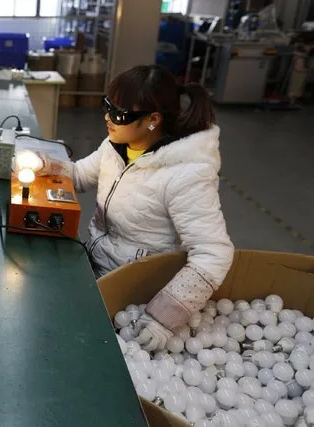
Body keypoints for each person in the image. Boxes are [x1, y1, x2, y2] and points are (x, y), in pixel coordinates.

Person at [14, 65, 234, 351]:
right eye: (107, 106)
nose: (108, 117)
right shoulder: (119, 145)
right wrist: (47, 165)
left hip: (133, 294)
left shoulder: (187, 173)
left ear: (153, 120)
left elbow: (213, 254)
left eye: (119, 114)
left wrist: (163, 318)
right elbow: (80, 175)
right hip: (94, 266)